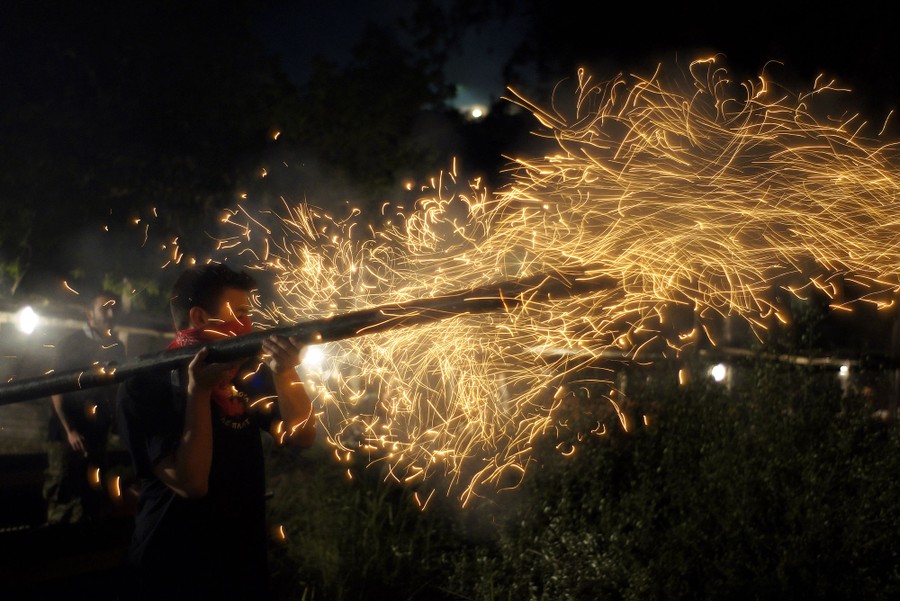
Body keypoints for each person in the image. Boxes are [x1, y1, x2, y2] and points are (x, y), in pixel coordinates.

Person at [116, 263, 316, 600]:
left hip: (239, 562)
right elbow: (191, 483)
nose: (249, 326)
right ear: (199, 318)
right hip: (173, 568)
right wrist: (199, 393)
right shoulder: (145, 384)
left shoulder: (244, 372)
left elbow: (302, 436)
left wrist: (285, 372)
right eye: (239, 313)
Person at [44, 290, 126, 525]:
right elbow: (54, 386)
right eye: (104, 309)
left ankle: (85, 553)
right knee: (63, 493)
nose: (110, 314)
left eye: (113, 309)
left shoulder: (117, 347)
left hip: (97, 433)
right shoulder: (71, 343)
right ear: (89, 314)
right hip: (66, 434)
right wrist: (69, 429)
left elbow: (115, 389)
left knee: (93, 493)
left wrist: (116, 423)